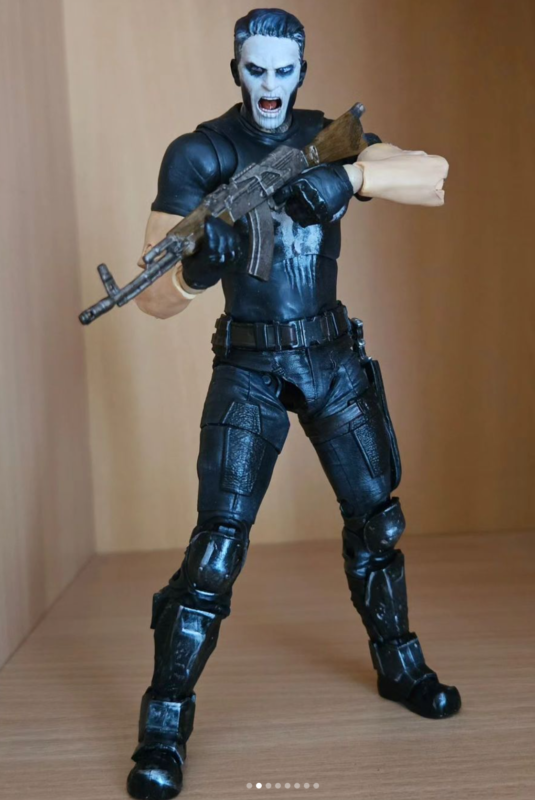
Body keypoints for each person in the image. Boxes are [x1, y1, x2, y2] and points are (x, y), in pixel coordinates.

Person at [127, 8, 460, 799]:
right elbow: (151, 294)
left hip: (331, 356)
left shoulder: (324, 136)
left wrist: (349, 177)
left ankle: (399, 665)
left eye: (283, 70)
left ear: (301, 72)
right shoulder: (200, 152)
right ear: (235, 70)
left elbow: (432, 175)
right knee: (216, 549)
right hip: (249, 364)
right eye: (256, 69)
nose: (269, 85)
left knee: (376, 523)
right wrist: (200, 265)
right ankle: (164, 723)